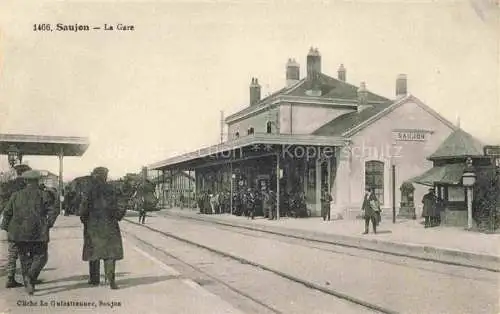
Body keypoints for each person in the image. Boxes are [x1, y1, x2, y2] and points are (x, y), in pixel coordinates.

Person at [1, 170, 59, 295]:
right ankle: (30, 279)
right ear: (37, 181)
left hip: (19, 233)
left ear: (26, 181)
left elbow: (7, 213)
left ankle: (29, 282)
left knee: (24, 258)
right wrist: (48, 224)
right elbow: (53, 211)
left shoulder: (16, 195)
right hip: (38, 232)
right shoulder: (44, 195)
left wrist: (6, 227)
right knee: (41, 256)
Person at [79, 167, 126, 289]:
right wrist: (117, 216)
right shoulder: (114, 188)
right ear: (105, 176)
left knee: (93, 251)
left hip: (93, 225)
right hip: (110, 224)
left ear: (95, 176)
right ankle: (111, 279)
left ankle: (94, 279)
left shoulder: (88, 190)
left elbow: (83, 209)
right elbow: (122, 204)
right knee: (110, 253)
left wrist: (85, 221)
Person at [0, 164, 32, 288]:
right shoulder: (26, 186)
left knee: (12, 251)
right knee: (26, 251)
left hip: (11, 223)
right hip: (24, 222)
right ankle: (28, 279)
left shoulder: (6, 186)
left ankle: (10, 278)